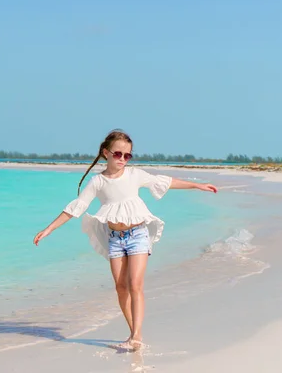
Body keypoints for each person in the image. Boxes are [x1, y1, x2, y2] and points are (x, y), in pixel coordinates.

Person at [33, 129, 217, 350]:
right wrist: (49, 228)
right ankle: (133, 332)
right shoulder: (98, 182)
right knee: (121, 287)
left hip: (138, 234)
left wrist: (197, 185)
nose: (122, 159)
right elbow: (77, 207)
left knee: (135, 284)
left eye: (127, 155)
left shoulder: (134, 175)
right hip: (115, 238)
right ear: (106, 153)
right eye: (118, 154)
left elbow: (165, 182)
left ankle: (137, 336)